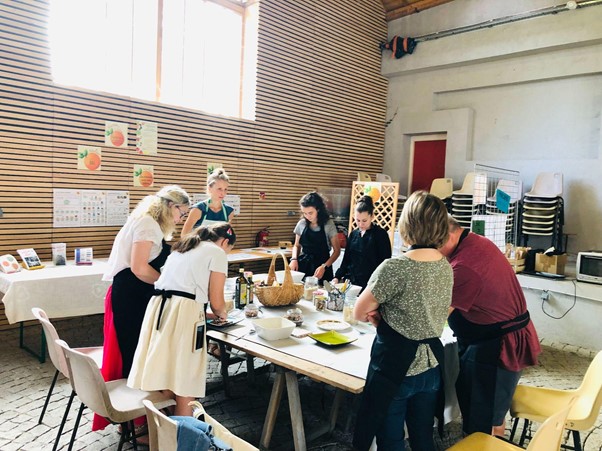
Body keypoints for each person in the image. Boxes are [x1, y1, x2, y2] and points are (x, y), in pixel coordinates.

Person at [352, 191, 453, 451]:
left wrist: (379, 319)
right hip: (431, 365)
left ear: (406, 224)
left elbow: (359, 312)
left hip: (397, 369)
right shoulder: (446, 265)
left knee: (391, 440)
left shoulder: (394, 267)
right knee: (422, 438)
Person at [93, 185, 190, 431]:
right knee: (135, 353)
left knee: (136, 350)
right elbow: (139, 268)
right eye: (182, 213)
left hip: (133, 292)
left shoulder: (146, 221)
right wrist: (165, 283)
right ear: (171, 206)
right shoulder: (148, 225)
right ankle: (136, 423)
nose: (181, 219)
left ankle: (137, 419)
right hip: (131, 294)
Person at [438, 215, 541, 437]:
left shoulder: (465, 265)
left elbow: (434, 317)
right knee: (491, 412)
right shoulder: (476, 241)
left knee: (486, 422)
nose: (435, 251)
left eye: (436, 244)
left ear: (448, 234)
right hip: (497, 336)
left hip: (498, 347)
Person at [128, 222, 234, 416]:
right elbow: (217, 301)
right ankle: (183, 433)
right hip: (185, 313)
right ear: (225, 242)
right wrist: (223, 314)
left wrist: (205, 312)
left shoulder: (184, 247)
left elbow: (183, 288)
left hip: (160, 308)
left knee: (166, 369)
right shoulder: (216, 253)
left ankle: (163, 431)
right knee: (186, 374)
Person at [332, 195, 391, 290]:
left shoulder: (380, 235)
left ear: (372, 216)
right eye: (357, 220)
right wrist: (337, 277)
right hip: (351, 282)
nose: (360, 224)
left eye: (364, 221)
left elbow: (385, 264)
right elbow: (346, 260)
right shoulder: (353, 234)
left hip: (370, 284)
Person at [289, 191, 341, 283]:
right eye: (304, 213)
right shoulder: (302, 224)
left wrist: (324, 266)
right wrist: (294, 259)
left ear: (318, 209)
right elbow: (297, 246)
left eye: (310, 213)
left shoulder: (328, 224)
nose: (307, 216)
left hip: (322, 267)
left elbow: (337, 251)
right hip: (303, 265)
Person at [181, 168, 234, 236]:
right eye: (219, 189)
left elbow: (227, 235)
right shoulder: (198, 209)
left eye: (225, 189)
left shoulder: (229, 212)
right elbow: (184, 235)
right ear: (209, 188)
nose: (223, 193)